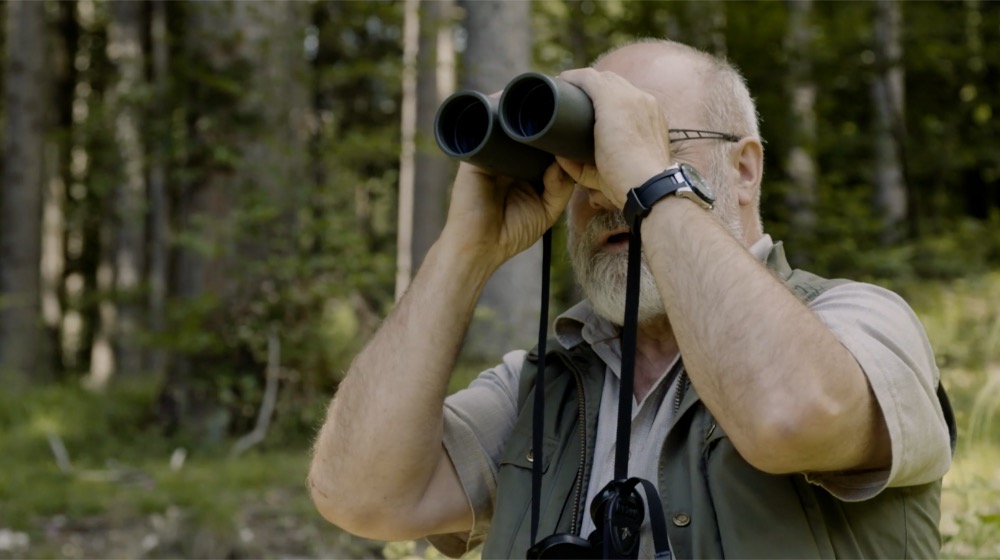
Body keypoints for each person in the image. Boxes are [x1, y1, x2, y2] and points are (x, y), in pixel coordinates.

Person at [308, 39, 953, 558]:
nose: (612, 191)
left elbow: (788, 417)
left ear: (745, 169)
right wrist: (465, 248)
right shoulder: (544, 387)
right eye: (585, 158)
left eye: (654, 144)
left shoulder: (861, 322)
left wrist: (649, 181)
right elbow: (360, 496)